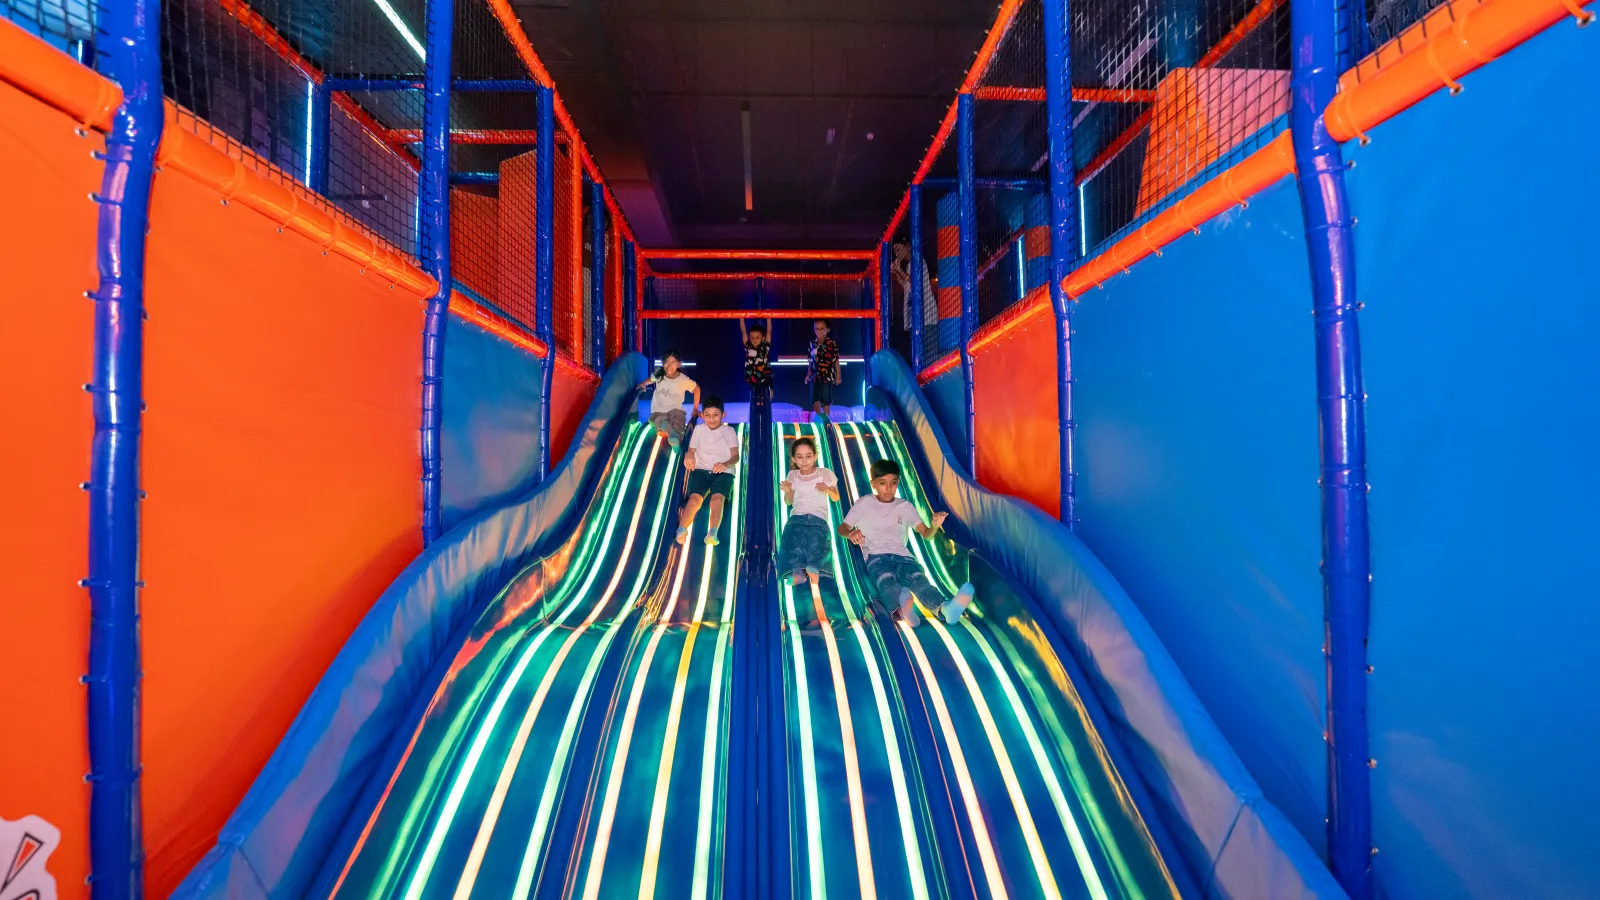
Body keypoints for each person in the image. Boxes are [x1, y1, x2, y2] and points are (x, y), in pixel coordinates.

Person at [839, 457, 973, 626]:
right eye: (882, 483)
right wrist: (851, 533)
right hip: (876, 556)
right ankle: (902, 610)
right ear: (873, 484)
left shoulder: (905, 506)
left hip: (904, 557)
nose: (888, 489)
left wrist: (934, 526)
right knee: (887, 582)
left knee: (920, 582)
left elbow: (926, 534)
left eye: (893, 483)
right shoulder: (864, 503)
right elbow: (842, 527)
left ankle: (945, 609)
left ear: (898, 482)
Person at [678, 395, 740, 546]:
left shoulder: (729, 431)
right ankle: (681, 530)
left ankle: (712, 532)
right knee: (694, 499)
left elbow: (736, 456)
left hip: (724, 472)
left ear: (722, 415)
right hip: (701, 470)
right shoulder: (699, 429)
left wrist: (725, 464)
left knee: (717, 499)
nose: (711, 419)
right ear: (702, 414)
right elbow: (691, 450)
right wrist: (689, 455)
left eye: (715, 415)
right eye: (707, 415)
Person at [779, 436, 840, 589]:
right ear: (793, 459)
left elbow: (836, 498)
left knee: (817, 541)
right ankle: (798, 572)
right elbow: (789, 502)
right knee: (791, 540)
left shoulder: (824, 473)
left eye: (808, 456)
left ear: (815, 456)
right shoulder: (793, 475)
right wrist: (787, 491)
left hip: (818, 517)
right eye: (799, 457)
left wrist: (828, 489)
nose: (804, 461)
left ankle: (813, 566)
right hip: (797, 517)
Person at [637, 350, 699, 447]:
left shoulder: (682, 379)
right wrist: (644, 383)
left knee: (678, 425)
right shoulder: (659, 374)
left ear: (678, 365)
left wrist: (695, 408)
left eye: (673, 363)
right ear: (663, 363)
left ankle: (674, 439)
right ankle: (671, 434)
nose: (669, 366)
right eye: (666, 362)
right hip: (659, 411)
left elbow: (697, 389)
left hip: (676, 411)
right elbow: (650, 379)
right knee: (660, 421)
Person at [805, 319, 841, 418]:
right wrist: (808, 374)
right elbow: (810, 361)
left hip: (827, 375)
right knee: (814, 398)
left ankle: (826, 419)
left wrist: (838, 375)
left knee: (826, 399)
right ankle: (819, 418)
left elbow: (836, 359)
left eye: (822, 329)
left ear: (827, 330)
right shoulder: (812, 343)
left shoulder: (831, 343)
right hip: (815, 374)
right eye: (817, 329)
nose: (819, 331)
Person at [741, 318, 774, 401]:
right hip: (752, 377)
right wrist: (741, 318)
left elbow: (769, 332)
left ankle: (768, 402)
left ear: (762, 338)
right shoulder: (748, 346)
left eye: (757, 337)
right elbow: (743, 332)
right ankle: (755, 404)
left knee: (769, 391)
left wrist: (768, 318)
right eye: (752, 337)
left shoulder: (764, 347)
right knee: (755, 395)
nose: (754, 339)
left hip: (765, 376)